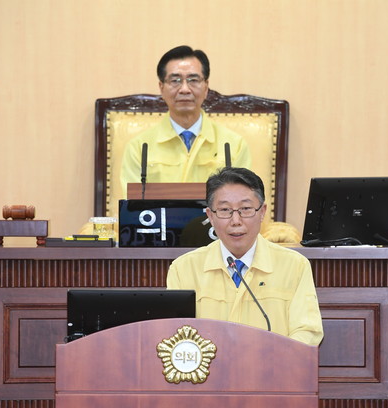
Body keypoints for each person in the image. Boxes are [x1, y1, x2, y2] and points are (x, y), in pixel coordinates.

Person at [167, 167, 324, 345]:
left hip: (272, 362)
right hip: (210, 364)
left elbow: (307, 332)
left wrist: (273, 358)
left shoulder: (294, 265)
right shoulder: (184, 269)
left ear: (262, 212)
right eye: (225, 210)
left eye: (246, 209)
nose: (236, 221)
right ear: (210, 216)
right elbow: (176, 335)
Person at [119, 45, 251, 193]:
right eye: (175, 80)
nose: (184, 89)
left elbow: (243, 201)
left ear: (206, 87)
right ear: (161, 88)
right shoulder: (139, 147)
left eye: (193, 80)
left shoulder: (234, 145)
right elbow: (132, 203)